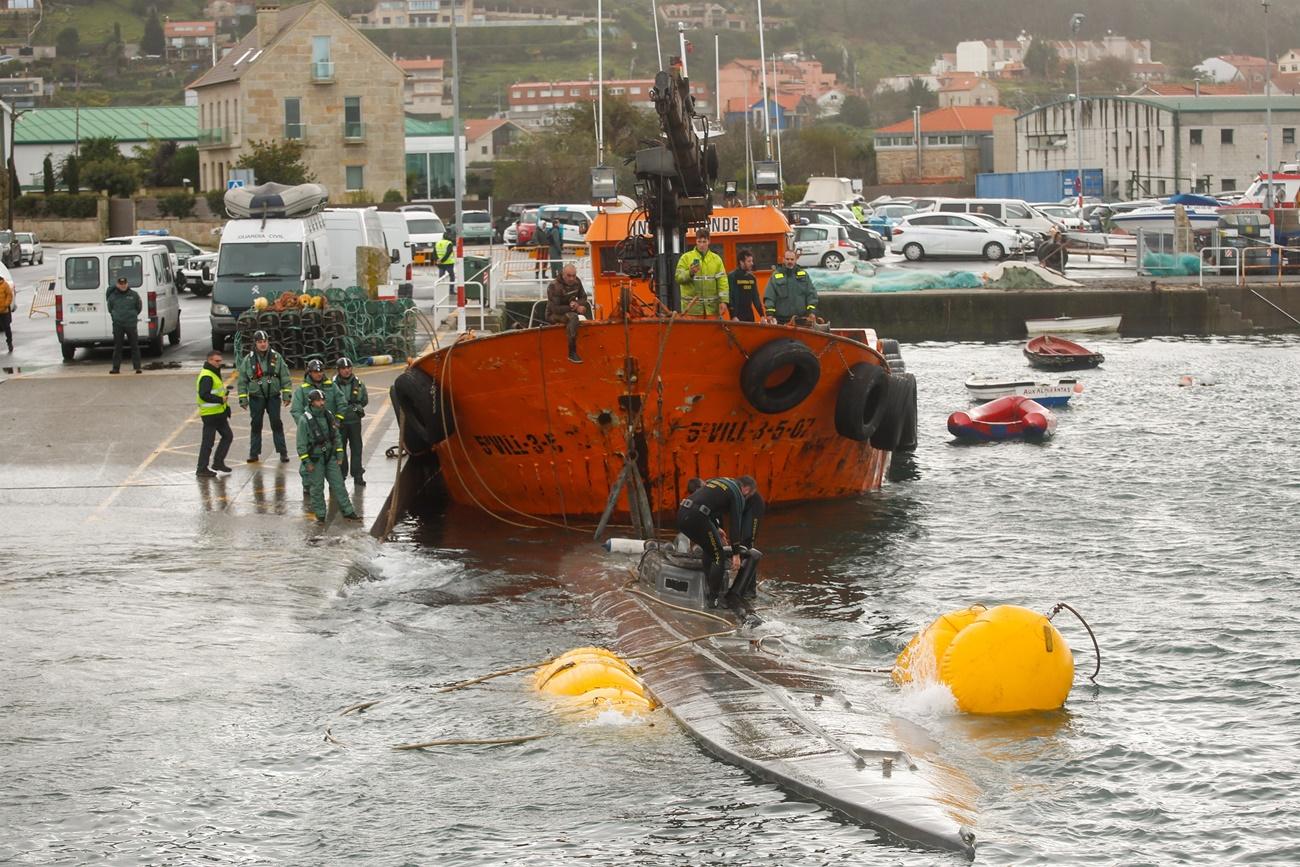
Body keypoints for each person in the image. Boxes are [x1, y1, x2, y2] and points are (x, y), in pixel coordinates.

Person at [676, 475, 764, 608]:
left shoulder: (719, 481)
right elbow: (735, 525)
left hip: (683, 514)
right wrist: (735, 554)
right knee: (719, 556)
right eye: (749, 495)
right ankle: (714, 600)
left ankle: (708, 591)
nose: (747, 498)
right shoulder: (737, 494)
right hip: (697, 518)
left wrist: (716, 528)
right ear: (745, 489)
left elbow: (707, 503)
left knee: (709, 550)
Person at [296, 388, 361, 523]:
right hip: (315, 459)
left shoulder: (328, 415)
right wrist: (307, 462)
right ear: (311, 402)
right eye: (318, 400)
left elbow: (336, 436)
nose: (322, 403)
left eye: (323, 400)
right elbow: (301, 444)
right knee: (317, 488)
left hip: (329, 457)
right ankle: (320, 514)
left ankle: (348, 511)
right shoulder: (304, 420)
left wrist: (339, 454)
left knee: (339, 485)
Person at [236, 329, 292, 463]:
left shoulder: (276, 357)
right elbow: (242, 380)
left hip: (273, 396)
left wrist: (287, 395)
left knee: (276, 423)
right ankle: (254, 453)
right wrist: (243, 398)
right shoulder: (248, 360)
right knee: (256, 425)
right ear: (255, 343)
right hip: (256, 397)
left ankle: (283, 452)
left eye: (265, 341)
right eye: (260, 342)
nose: (263, 344)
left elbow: (285, 376)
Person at [291, 359, 337, 496]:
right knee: (309, 457)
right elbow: (296, 410)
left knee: (330, 457)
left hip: (328, 429)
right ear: (309, 372)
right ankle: (307, 485)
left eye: (321, 371)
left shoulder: (331, 386)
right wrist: (305, 425)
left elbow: (341, 401)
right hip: (311, 432)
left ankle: (332, 484)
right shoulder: (302, 390)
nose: (319, 374)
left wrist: (337, 420)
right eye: (315, 371)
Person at [195, 349, 234, 478]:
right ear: (209, 360)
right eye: (217, 361)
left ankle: (218, 462)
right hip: (210, 415)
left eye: (220, 361)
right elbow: (204, 394)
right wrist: (220, 400)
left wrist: (226, 407)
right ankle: (202, 468)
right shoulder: (207, 375)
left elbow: (220, 393)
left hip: (219, 413)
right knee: (208, 442)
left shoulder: (213, 372)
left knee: (228, 436)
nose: (219, 363)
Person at [674, 227, 729, 317]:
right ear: (696, 241)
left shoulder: (717, 259)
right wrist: (690, 273)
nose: (702, 245)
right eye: (699, 241)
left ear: (709, 241)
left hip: (712, 310)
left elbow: (722, 281)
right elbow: (678, 278)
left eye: (704, 241)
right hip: (691, 310)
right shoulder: (686, 257)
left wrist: (724, 301)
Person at [332, 357, 369, 485]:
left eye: (349, 368)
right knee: (339, 449)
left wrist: (355, 408)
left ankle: (358, 474)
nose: (347, 371)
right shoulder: (332, 385)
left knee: (357, 448)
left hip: (354, 421)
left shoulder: (358, 383)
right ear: (338, 370)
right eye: (343, 368)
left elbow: (364, 400)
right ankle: (341, 476)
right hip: (339, 422)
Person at [545, 262, 590, 364]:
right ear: (563, 274)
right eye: (569, 276)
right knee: (573, 317)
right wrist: (574, 308)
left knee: (581, 312)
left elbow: (584, 297)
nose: (571, 278)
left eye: (573, 276)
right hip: (553, 314)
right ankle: (572, 352)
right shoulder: (554, 286)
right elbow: (555, 309)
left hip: (569, 309)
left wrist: (578, 304)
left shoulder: (577, 282)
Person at [764, 249, 818, 325]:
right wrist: (769, 314)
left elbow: (811, 294)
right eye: (787, 259)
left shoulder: (803, 275)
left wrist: (811, 312)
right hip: (781, 321)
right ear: (783, 259)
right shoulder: (775, 276)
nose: (790, 261)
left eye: (792, 259)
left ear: (796, 260)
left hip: (801, 319)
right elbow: (770, 296)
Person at [106, 275, 142, 374]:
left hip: (131, 324)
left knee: (134, 346)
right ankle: (116, 368)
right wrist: (115, 317)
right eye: (120, 284)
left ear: (127, 284)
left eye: (124, 284)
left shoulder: (134, 295)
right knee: (118, 347)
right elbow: (110, 309)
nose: (123, 286)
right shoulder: (112, 296)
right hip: (118, 325)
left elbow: (138, 307)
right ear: (117, 285)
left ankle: (137, 367)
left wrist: (133, 316)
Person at [727, 248, 764, 322]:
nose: (752, 263)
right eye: (749, 261)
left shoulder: (752, 278)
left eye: (752, 261)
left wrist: (762, 315)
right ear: (741, 262)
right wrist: (733, 316)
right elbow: (730, 297)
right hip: (737, 317)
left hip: (749, 316)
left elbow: (755, 297)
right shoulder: (732, 276)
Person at [0, 271, 13, 352]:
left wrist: (6, 304)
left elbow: (9, 295)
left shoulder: (4, 284)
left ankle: (9, 342)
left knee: (7, 327)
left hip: (4, 311)